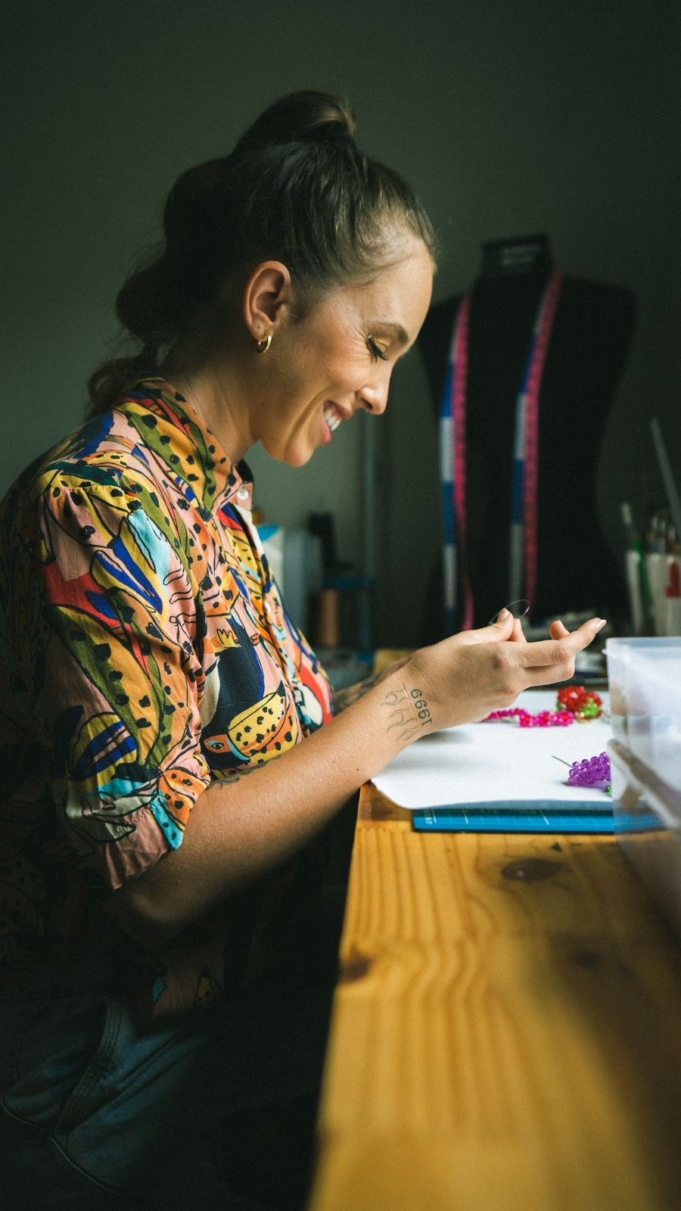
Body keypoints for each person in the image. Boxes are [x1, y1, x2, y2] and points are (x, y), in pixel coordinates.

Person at [0, 90, 606, 1210]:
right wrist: (406, 701)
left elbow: (249, 741)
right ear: (270, 300)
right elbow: (158, 880)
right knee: (489, 1092)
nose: (378, 393)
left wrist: (446, 684)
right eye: (376, 346)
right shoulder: (95, 507)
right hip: (106, 1072)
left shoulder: (213, 489)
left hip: (218, 1003)